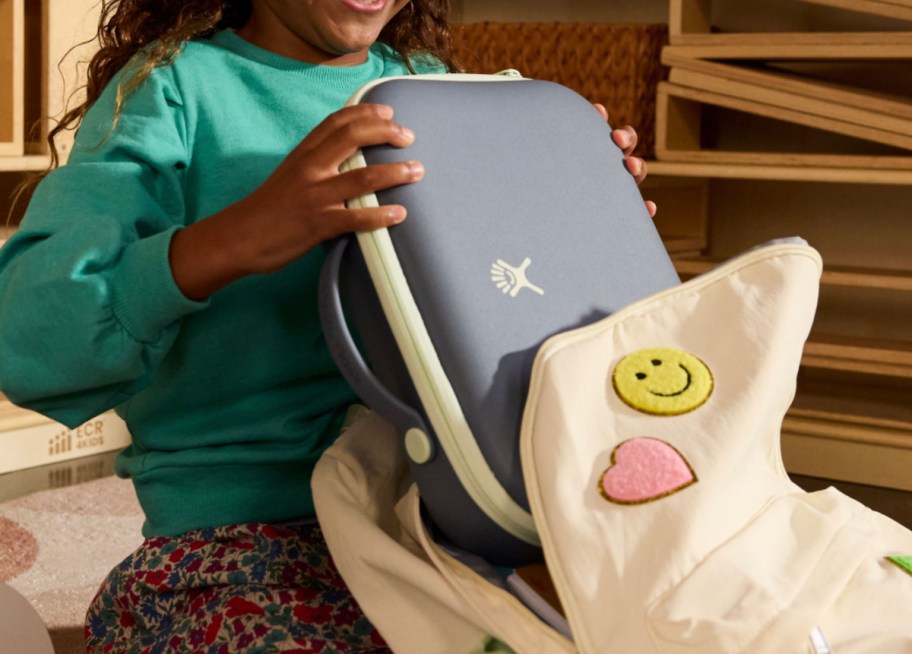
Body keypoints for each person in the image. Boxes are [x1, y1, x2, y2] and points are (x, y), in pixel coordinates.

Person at [0, 0, 654, 651]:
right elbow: (25, 341)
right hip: (252, 534)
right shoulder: (172, 90)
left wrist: (586, 216)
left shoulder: (428, 88)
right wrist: (232, 238)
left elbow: (505, 291)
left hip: (459, 518)